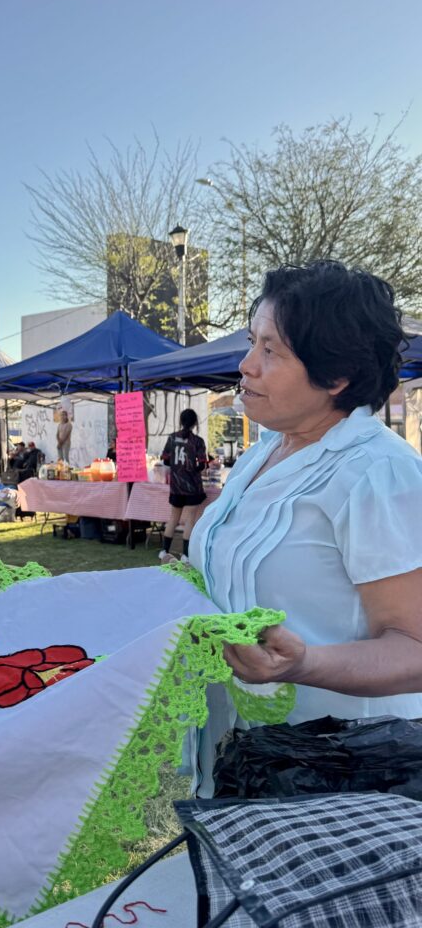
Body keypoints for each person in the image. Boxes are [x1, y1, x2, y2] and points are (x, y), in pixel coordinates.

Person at [186, 260, 422, 796]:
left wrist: (305, 663)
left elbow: (416, 646)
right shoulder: (265, 450)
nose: (245, 365)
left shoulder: (376, 472)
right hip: (244, 758)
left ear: (335, 376)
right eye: (252, 342)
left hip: (343, 776)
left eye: (271, 351)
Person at [159, 408, 208, 560]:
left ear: (181, 421)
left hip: (176, 485)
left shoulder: (172, 438)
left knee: (173, 518)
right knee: (190, 520)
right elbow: (201, 465)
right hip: (192, 486)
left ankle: (164, 551)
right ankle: (185, 555)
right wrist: (193, 468)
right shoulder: (198, 441)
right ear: (195, 423)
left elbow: (165, 460)